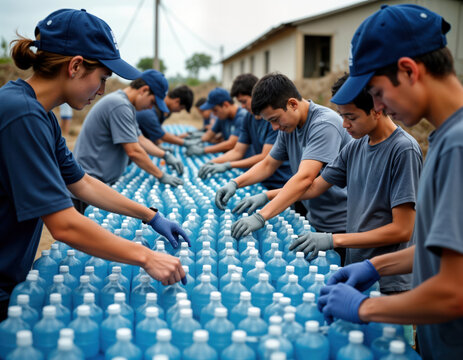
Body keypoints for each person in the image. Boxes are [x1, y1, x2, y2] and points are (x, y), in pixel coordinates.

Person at [0, 9, 188, 321]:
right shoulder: (22, 115)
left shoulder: (41, 114)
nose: (101, 91)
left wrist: (150, 216)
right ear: (75, 66)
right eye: (101, 78)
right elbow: (63, 225)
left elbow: (81, 183)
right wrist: (146, 257)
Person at [316, 5, 463, 359]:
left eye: (377, 92)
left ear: (409, 71)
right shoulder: (446, 139)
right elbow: (439, 255)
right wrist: (373, 266)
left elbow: (453, 291)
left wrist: (364, 308)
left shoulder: (456, 146)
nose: (378, 105)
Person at [289, 73, 422, 294]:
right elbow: (312, 187)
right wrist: (268, 200)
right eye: (341, 116)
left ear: (377, 109)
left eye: (351, 117)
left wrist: (334, 240)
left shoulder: (403, 150)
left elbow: (402, 229)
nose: (344, 124)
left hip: (388, 281)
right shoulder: (355, 147)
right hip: (356, 270)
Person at [215, 74, 350, 247]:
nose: (275, 127)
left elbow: (305, 179)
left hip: (341, 224)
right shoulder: (288, 127)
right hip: (315, 218)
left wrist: (261, 216)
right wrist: (235, 183)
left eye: (275, 119)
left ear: (292, 104)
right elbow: (268, 164)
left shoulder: (324, 125)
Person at [73, 69, 184, 213]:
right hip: (88, 187)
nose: (150, 107)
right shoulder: (120, 105)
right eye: (152, 102)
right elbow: (134, 151)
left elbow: (140, 139)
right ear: (144, 90)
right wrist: (161, 175)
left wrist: (164, 155)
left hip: (95, 185)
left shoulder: (125, 105)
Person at [198, 73, 293, 194]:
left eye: (244, 101)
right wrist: (213, 162)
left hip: (280, 183)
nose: (242, 106)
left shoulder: (274, 120)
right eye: (240, 102)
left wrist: (228, 165)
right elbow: (238, 151)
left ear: (256, 95)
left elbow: (265, 157)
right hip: (260, 180)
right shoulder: (248, 117)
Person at [185, 87, 248, 156]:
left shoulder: (242, 117)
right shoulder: (222, 117)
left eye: (215, 110)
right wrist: (195, 141)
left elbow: (231, 144)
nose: (214, 114)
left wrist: (204, 150)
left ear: (225, 105)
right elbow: (209, 134)